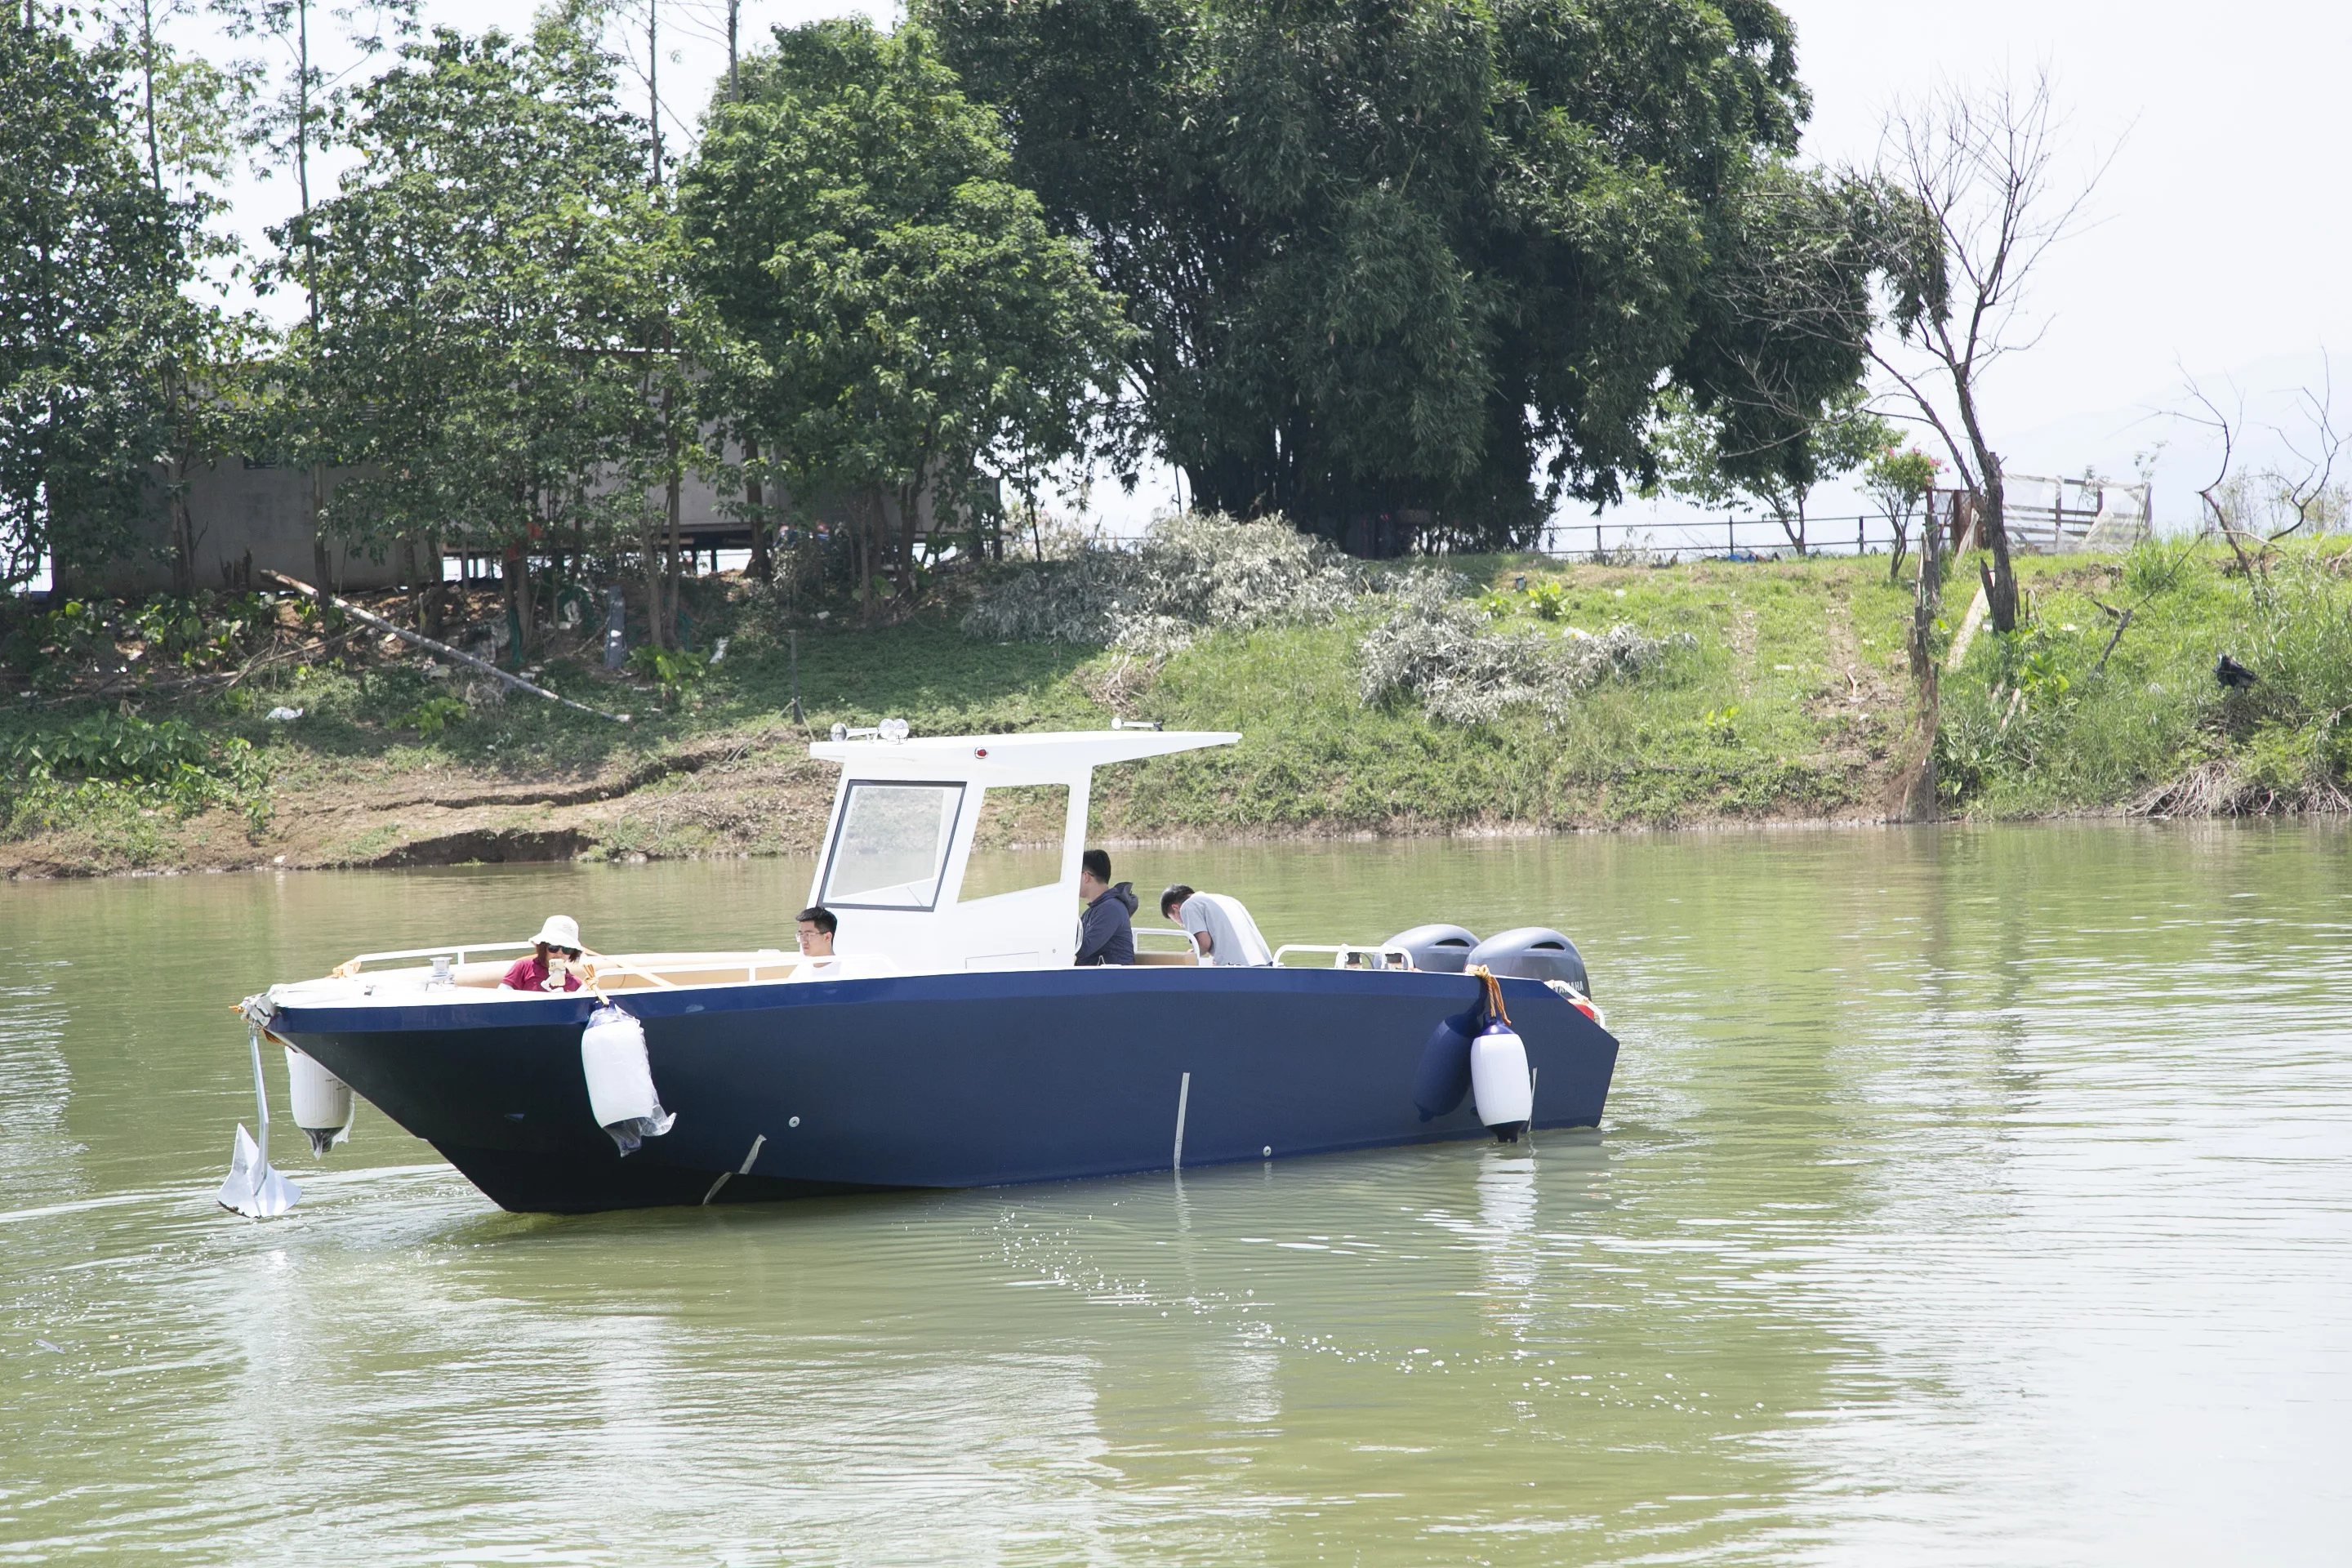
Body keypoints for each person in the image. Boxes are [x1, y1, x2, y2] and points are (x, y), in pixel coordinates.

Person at [1160, 884, 1275, 967]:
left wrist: (1186, 956)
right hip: (1266, 964)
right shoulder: (1226, 899)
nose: (1181, 925)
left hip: (1239, 969)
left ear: (1175, 907)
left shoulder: (1188, 906)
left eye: (1174, 919)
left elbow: (1203, 944)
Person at [1075, 849, 1137, 966]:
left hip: (1114, 980)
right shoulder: (1092, 911)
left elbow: (1084, 948)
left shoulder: (1111, 909)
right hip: (1097, 978)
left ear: (1086, 876)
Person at [501, 915, 586, 992]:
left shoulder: (575, 983)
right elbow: (502, 995)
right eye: (554, 947)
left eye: (567, 949)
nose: (560, 954)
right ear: (543, 946)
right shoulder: (524, 967)